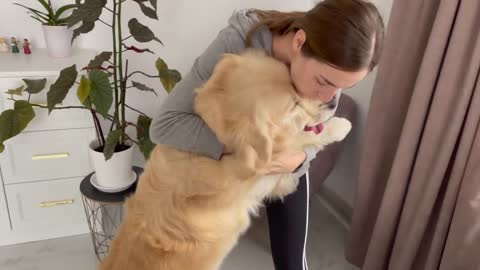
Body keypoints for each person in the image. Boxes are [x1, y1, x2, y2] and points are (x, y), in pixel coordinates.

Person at [149, 0, 384, 269]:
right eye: (323, 82)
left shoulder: (331, 73)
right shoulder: (237, 45)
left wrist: (299, 158)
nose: (328, 99)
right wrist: (245, 147)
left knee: (293, 264)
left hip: (285, 167)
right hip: (219, 162)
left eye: (342, 88)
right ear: (299, 42)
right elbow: (166, 124)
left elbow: (312, 137)